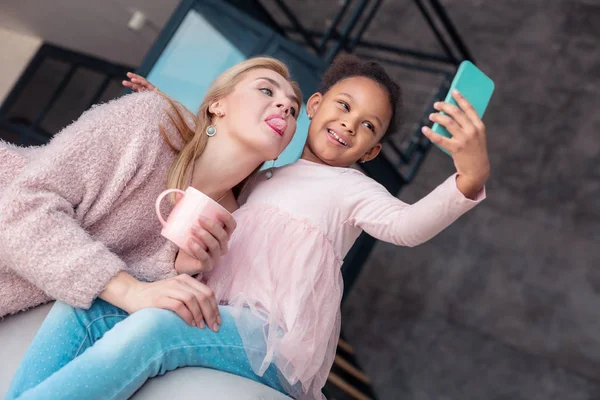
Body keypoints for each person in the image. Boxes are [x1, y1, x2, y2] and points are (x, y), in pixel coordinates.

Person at [8, 55, 489, 400]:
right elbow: (204, 154)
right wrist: (170, 110)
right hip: (216, 310)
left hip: (269, 337)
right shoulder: (257, 178)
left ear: (370, 153)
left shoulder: (352, 189)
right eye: (343, 106)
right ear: (316, 105)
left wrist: (468, 178)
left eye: (368, 127)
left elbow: (406, 225)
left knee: (156, 328)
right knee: (81, 308)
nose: (349, 124)